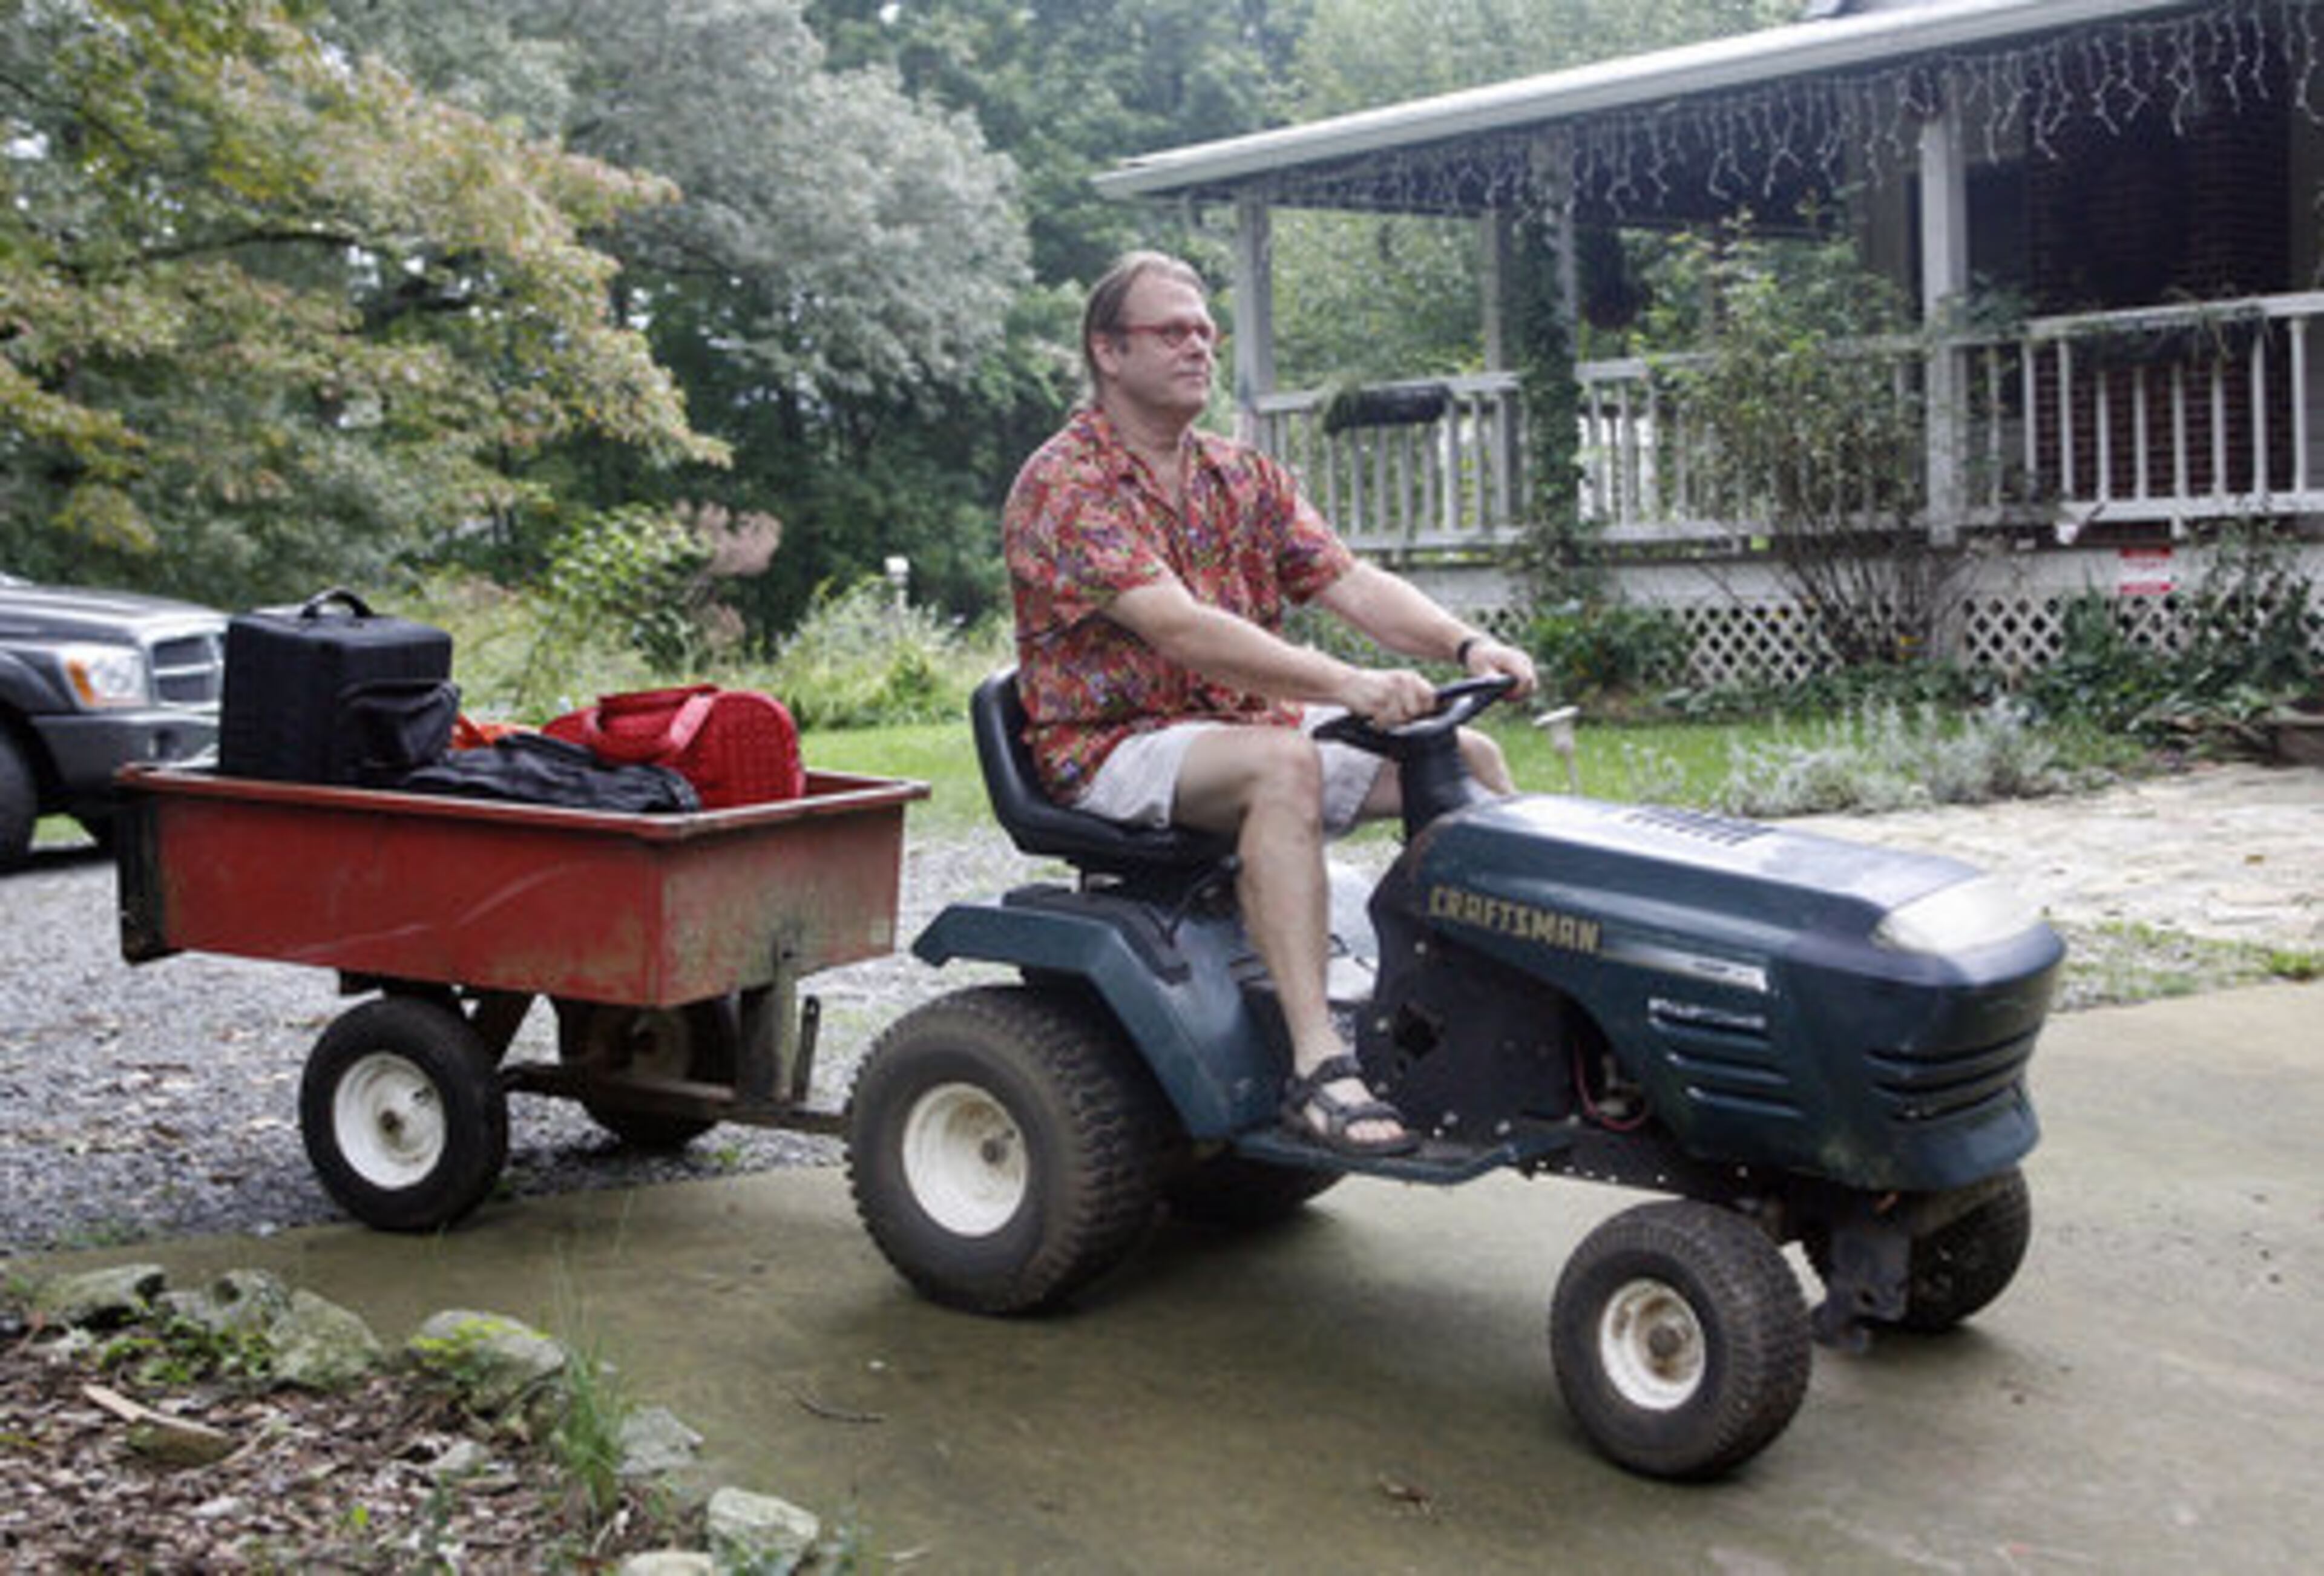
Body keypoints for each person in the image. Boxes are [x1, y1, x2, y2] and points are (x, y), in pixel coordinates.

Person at [1002, 251, 1538, 1157]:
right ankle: (1318, 1064)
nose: (1198, 347)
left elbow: (1351, 583)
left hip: (1237, 724)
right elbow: (1180, 628)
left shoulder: (1240, 474)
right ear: (1109, 351)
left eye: (1206, 331)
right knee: (1282, 766)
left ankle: (1499, 999)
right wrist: (1347, 684)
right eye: (1172, 331)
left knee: (1463, 759)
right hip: (1115, 744)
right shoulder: (1063, 485)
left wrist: (1467, 646)